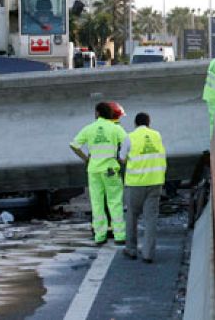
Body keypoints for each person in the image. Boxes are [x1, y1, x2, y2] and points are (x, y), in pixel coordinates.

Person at [70, 102, 128, 245]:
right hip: (110, 169)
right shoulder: (115, 128)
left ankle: (99, 236)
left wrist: (86, 159)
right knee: (114, 202)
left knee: (97, 203)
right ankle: (119, 235)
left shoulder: (88, 129)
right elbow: (128, 143)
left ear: (97, 113)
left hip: (94, 170)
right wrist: (122, 159)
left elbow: (74, 145)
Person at [122, 112, 167, 263]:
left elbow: (122, 159)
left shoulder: (130, 137)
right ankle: (148, 254)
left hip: (135, 184)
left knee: (131, 216)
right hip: (155, 182)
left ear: (135, 124)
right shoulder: (157, 135)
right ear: (149, 123)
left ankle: (131, 249)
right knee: (151, 219)